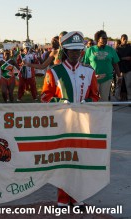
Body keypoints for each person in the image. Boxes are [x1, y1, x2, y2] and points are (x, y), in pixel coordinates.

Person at [41, 31, 100, 208]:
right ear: (65, 50)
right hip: (61, 124)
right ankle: (62, 198)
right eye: (72, 50)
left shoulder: (89, 71)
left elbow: (95, 96)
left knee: (80, 161)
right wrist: (60, 102)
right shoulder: (54, 71)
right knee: (63, 161)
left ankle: (77, 197)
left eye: (78, 50)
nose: (75, 53)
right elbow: (44, 96)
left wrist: (87, 102)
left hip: (83, 123)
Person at [83, 30, 121, 101]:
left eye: (106, 38)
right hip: (93, 78)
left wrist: (119, 76)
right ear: (98, 39)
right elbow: (85, 65)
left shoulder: (111, 50)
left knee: (104, 99)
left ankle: (103, 112)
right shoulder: (90, 50)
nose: (105, 40)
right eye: (103, 38)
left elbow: (115, 64)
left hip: (107, 78)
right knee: (93, 99)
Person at [116, 34, 131, 101]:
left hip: (128, 69)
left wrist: (123, 58)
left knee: (129, 85)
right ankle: (117, 99)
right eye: (123, 39)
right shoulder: (117, 49)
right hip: (120, 70)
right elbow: (116, 59)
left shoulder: (130, 47)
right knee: (118, 85)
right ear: (121, 39)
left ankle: (129, 98)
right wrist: (125, 58)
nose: (125, 40)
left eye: (126, 38)